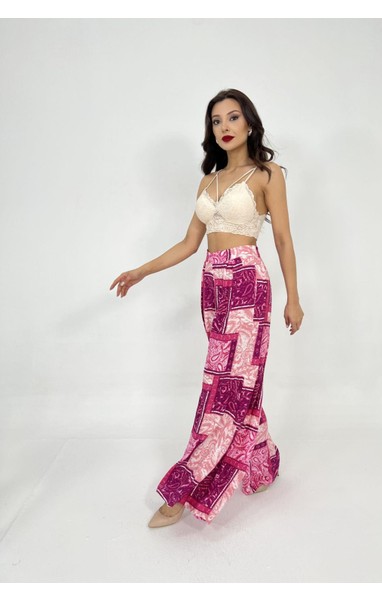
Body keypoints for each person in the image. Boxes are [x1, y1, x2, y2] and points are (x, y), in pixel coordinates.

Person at [109, 88, 304, 528]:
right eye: (216, 121)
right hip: (213, 285)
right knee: (235, 383)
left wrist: (293, 297)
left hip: (247, 283)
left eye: (233, 117)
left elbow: (283, 238)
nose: (225, 127)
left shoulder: (267, 174)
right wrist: (141, 271)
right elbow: (189, 244)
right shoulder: (208, 182)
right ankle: (262, 464)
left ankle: (182, 488)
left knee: (224, 388)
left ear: (249, 123)